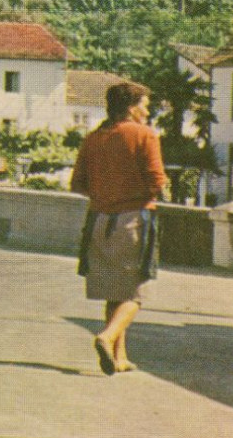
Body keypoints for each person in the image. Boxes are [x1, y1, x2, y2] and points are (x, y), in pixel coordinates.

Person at [70, 81, 167, 376]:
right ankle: (107, 336)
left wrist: (105, 194)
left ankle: (119, 356)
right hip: (134, 219)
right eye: (145, 105)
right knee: (135, 293)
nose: (147, 111)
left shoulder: (93, 138)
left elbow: (77, 183)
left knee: (114, 290)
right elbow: (157, 181)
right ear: (131, 106)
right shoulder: (145, 135)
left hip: (99, 220)